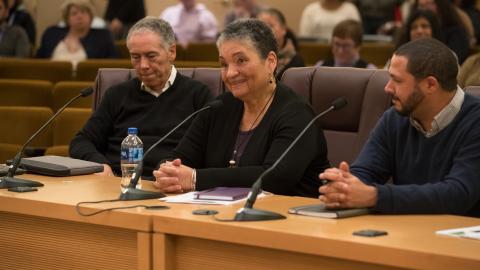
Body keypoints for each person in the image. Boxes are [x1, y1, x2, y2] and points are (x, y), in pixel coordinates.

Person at [153, 19, 330, 197]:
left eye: (241, 60)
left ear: (270, 62)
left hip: (289, 218)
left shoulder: (297, 114)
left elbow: (274, 178)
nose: (230, 73)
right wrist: (167, 172)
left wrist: (195, 178)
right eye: (224, 64)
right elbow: (178, 158)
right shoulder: (218, 108)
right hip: (222, 214)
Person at [319, 38, 480, 217]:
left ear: (430, 85)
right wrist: (344, 185)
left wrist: (374, 196)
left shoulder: (475, 121)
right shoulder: (395, 118)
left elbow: (458, 194)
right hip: (406, 231)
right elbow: (366, 171)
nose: (387, 88)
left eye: (397, 80)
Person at [69, 17, 213, 178]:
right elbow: (81, 142)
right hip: (116, 181)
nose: (143, 65)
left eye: (151, 56)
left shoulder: (198, 95)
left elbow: (208, 149)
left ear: (171, 52)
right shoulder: (116, 94)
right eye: (136, 57)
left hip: (170, 186)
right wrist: (100, 165)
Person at [36, 0, 117, 67]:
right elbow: (37, 61)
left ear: (91, 16)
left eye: (83, 12)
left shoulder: (102, 36)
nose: (79, 16)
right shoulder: (51, 33)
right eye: (74, 13)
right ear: (67, 18)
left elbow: (113, 62)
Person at [257, 8, 304, 79]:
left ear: (284, 29)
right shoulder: (252, 56)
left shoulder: (296, 61)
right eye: (260, 26)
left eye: (270, 25)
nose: (264, 30)